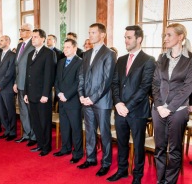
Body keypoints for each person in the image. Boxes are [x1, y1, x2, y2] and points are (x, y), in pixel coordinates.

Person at [108, 25, 155, 184]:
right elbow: (114, 84)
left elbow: (145, 87)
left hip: (137, 111)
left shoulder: (148, 60)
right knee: (121, 143)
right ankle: (122, 170)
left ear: (139, 39)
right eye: (125, 37)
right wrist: (118, 103)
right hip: (120, 110)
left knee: (138, 145)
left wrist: (127, 106)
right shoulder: (121, 59)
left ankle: (137, 175)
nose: (126, 40)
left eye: (129, 37)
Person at [152, 23, 192, 184]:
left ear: (180, 37)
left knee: (174, 150)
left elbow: (188, 87)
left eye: (169, 35)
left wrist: (170, 108)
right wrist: (160, 105)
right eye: (164, 35)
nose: (165, 38)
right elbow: (155, 83)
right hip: (159, 109)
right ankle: (160, 180)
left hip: (178, 110)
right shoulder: (161, 57)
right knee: (159, 148)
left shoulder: (190, 59)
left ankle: (169, 182)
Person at [77, 23, 116, 177]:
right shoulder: (86, 54)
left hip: (101, 101)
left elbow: (107, 81)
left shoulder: (109, 54)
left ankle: (106, 163)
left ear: (102, 35)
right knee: (90, 131)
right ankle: (91, 158)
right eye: (89, 32)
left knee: (105, 133)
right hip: (86, 100)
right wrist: (81, 95)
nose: (90, 35)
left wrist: (92, 98)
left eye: (93, 32)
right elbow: (81, 76)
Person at [24, 29, 56, 156]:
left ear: (43, 39)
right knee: (36, 122)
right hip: (31, 94)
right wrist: (26, 92)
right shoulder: (30, 53)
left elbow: (49, 75)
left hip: (42, 95)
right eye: (32, 37)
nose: (33, 39)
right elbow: (28, 75)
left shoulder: (48, 53)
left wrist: (45, 94)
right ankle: (40, 144)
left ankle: (46, 147)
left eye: (36, 37)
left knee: (45, 122)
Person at [53, 38, 83, 163]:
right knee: (64, 126)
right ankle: (65, 148)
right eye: (64, 47)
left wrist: (67, 95)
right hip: (61, 99)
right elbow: (56, 80)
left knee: (76, 128)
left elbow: (79, 82)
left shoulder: (80, 62)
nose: (65, 49)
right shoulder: (61, 62)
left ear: (75, 48)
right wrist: (59, 93)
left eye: (68, 47)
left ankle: (77, 153)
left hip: (73, 100)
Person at [13, 23, 37, 146]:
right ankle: (26, 134)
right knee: (23, 111)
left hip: (28, 85)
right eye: (20, 29)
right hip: (19, 84)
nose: (20, 31)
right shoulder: (19, 45)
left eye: (23, 30)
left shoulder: (33, 45)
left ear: (30, 32)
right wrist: (15, 82)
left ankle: (34, 136)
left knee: (31, 111)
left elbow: (31, 68)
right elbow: (17, 66)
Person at [0, 35, 16, 141]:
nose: (0, 42)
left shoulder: (12, 55)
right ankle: (6, 130)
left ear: (8, 42)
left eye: (2, 40)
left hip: (6, 88)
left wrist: (0, 85)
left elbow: (10, 73)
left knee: (10, 111)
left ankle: (12, 132)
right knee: (2, 111)